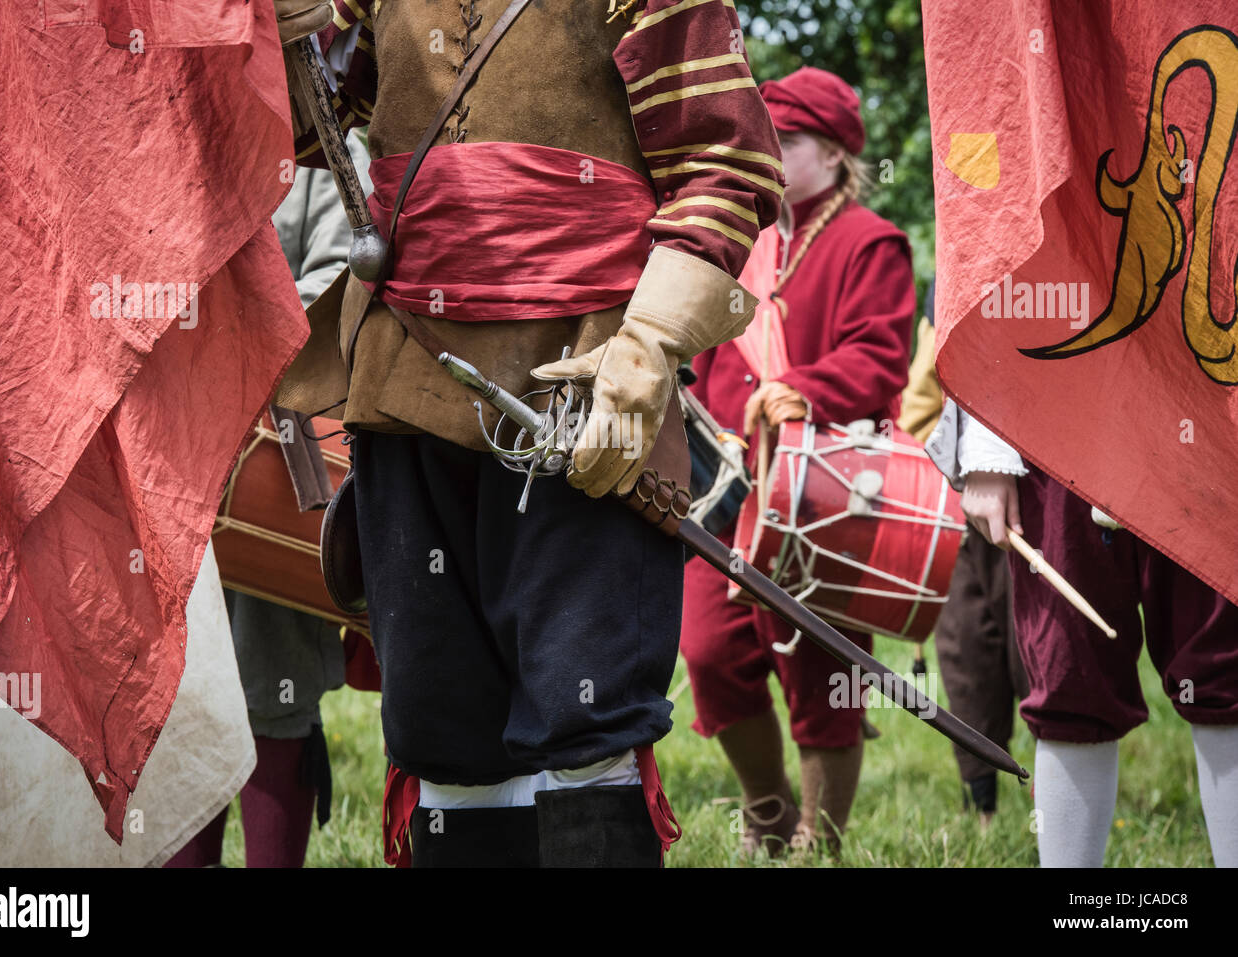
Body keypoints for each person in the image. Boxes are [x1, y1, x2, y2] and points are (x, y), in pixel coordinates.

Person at [274, 0, 784, 867]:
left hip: (583, 382)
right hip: (402, 375)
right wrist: (283, 35)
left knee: (588, 725)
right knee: (440, 725)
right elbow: (302, 132)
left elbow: (727, 161)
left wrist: (652, 343)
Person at [680, 66, 916, 856]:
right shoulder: (738, 240)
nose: (771, 151)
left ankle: (822, 841)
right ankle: (769, 812)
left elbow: (882, 358)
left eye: (790, 138)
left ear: (839, 151)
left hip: (825, 487)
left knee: (821, 671)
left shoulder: (870, 240)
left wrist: (799, 389)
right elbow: (708, 360)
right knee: (711, 653)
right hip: (725, 486)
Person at [166, 128, 372, 868]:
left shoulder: (318, 138)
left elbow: (340, 281)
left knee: (270, 689)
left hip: (273, 463)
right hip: (158, 454)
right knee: (168, 700)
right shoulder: (149, 124)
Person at [929, 406, 1238, 867]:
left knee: (1224, 667)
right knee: (1069, 676)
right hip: (1052, 407)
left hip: (1204, 403)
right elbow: (978, 333)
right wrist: (986, 446)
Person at [898, 279, 1028, 827]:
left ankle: (1060, 801)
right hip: (957, 509)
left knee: (1040, 659)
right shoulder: (947, 285)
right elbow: (923, 405)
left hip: (1035, 504)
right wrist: (950, 471)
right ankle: (984, 815)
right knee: (966, 656)